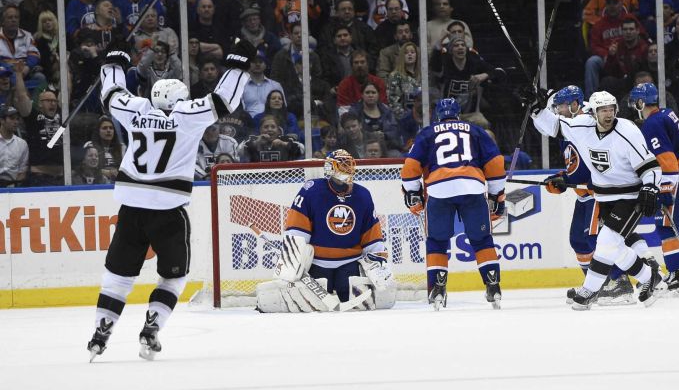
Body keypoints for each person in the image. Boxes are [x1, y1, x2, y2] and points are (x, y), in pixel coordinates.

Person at [86, 40, 255, 361]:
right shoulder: (188, 115)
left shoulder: (136, 110)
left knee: (118, 278)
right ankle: (151, 328)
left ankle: (100, 332)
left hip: (132, 208)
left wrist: (114, 61)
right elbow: (223, 100)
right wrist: (239, 64)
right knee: (174, 276)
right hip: (168, 209)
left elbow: (109, 95)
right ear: (180, 98)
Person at [529, 89, 665, 310]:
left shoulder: (627, 131)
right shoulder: (582, 126)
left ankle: (590, 290)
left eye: (611, 109)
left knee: (606, 242)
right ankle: (650, 276)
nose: (608, 114)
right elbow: (552, 126)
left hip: (630, 196)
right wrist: (537, 110)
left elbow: (650, 165)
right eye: (602, 110)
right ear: (592, 113)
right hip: (604, 197)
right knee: (616, 248)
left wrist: (650, 187)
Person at [254, 149, 395, 312]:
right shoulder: (312, 191)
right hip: (317, 262)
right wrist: (292, 258)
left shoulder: (363, 195)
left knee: (356, 296)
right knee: (307, 302)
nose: (348, 168)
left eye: (349, 164)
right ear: (330, 168)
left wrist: (378, 262)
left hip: (349, 261)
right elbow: (297, 230)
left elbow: (372, 234)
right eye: (343, 165)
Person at [400, 97, 506, 310]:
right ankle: (493, 285)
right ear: (458, 114)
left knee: (437, 241)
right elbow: (495, 164)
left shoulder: (428, 133)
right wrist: (496, 196)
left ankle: (438, 288)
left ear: (437, 115)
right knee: (482, 239)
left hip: (439, 190)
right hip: (472, 188)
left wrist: (413, 193)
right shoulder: (475, 131)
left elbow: (410, 167)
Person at [543, 86, 636, 306]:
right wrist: (563, 177)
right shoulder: (568, 129)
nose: (557, 111)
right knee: (578, 240)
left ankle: (620, 283)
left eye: (561, 107)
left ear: (575, 105)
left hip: (598, 194)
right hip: (584, 195)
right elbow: (576, 165)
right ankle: (594, 285)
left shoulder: (585, 126)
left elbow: (594, 165)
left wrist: (568, 179)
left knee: (597, 239)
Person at [629, 83, 679, 295]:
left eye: (635, 101)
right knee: (667, 226)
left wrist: (664, 189)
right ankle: (677, 273)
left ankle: (678, 275)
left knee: (666, 227)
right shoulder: (665, 114)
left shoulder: (652, 124)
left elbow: (668, 162)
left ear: (641, 102)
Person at [83, 115, 124, 183]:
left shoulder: (122, 147)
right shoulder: (90, 145)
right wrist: (104, 172)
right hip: (96, 182)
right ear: (98, 131)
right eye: (104, 128)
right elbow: (85, 167)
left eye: (111, 128)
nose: (108, 130)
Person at [0, 106, 28, 187]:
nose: (16, 122)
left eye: (17, 119)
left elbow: (22, 172)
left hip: (13, 187)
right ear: (2, 120)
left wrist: (14, 187)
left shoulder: (22, 144)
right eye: (12, 118)